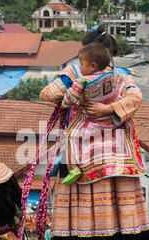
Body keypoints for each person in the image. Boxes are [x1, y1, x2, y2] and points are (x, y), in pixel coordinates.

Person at [39, 26, 149, 240]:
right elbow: (136, 98)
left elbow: (48, 94)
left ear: (87, 56)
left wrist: (71, 87)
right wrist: (109, 109)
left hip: (82, 151)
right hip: (116, 153)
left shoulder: (74, 74)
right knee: (116, 207)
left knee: (79, 205)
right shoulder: (120, 75)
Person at [60, 42, 142, 186]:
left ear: (92, 65)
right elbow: (135, 98)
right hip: (112, 124)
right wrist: (110, 108)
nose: (79, 67)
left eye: (81, 63)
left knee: (71, 137)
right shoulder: (117, 78)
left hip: (90, 124)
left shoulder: (79, 78)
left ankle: (74, 169)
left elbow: (51, 94)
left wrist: (66, 101)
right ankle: (135, 147)